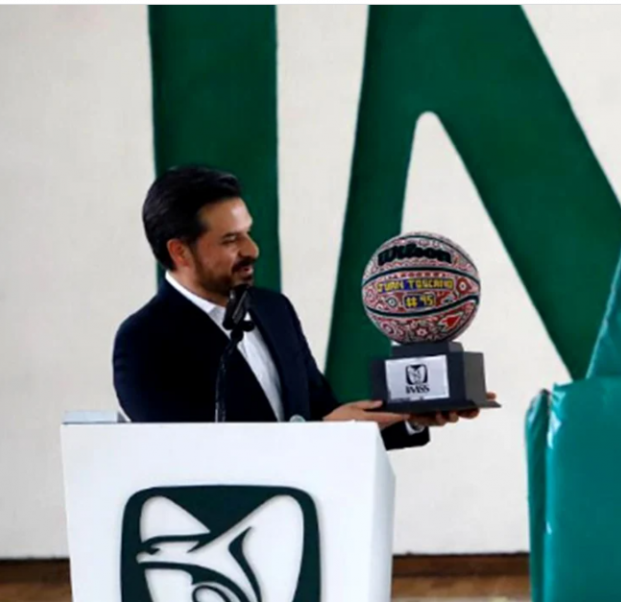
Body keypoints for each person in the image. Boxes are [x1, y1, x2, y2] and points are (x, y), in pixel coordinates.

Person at [114, 165, 483, 450]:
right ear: (179, 251)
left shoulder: (274, 310)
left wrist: (411, 415)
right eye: (231, 240)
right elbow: (186, 456)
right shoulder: (143, 342)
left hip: (309, 526)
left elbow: (324, 414)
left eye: (248, 232)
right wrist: (318, 433)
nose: (252, 250)